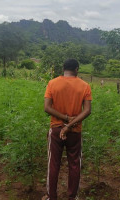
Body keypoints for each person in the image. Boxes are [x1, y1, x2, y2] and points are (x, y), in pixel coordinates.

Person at [43, 59, 92, 200]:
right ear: (77, 69)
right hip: (75, 132)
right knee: (75, 164)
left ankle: (51, 197)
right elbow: (87, 110)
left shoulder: (52, 83)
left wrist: (64, 119)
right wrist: (71, 123)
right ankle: (73, 197)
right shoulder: (84, 86)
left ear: (63, 68)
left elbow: (47, 107)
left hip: (56, 129)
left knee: (53, 164)